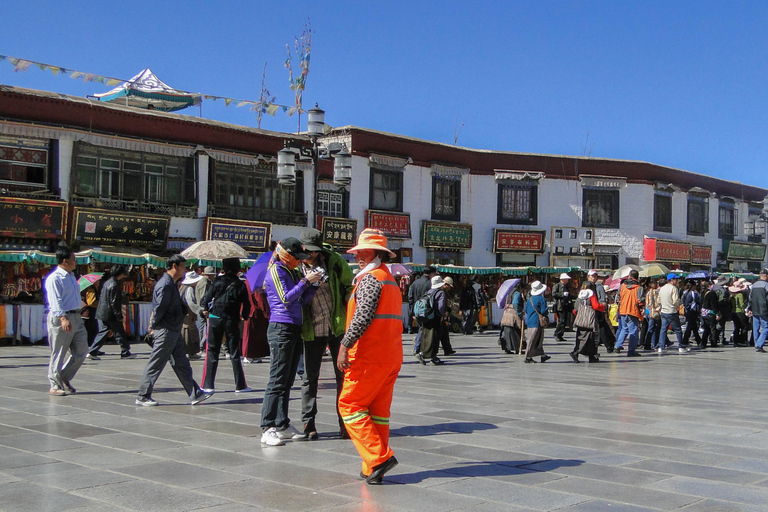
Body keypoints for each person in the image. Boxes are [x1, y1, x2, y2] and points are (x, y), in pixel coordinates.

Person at [337, 228, 402, 484]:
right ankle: (372, 467)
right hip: (390, 356)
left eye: (363, 252)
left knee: (349, 405)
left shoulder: (371, 279)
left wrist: (344, 345)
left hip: (368, 355)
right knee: (377, 413)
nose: (358, 257)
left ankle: (379, 458)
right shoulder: (388, 279)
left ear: (377, 253)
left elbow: (362, 316)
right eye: (357, 253)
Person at [260, 238, 321, 446]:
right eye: (297, 257)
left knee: (287, 380)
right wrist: (305, 282)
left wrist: (312, 287)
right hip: (280, 328)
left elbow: (300, 300)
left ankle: (281, 423)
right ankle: (267, 426)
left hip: (294, 326)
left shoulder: (292, 271)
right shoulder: (277, 270)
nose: (299, 261)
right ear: (287, 255)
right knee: (277, 380)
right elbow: (286, 298)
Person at [297, 228, 354, 440]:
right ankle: (308, 425)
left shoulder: (334, 261)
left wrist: (348, 311)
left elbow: (350, 287)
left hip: (336, 327)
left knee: (344, 377)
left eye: (314, 251)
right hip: (311, 330)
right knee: (309, 379)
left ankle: (345, 425)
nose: (310, 255)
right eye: (307, 251)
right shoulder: (295, 265)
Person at [135, 254, 213, 406]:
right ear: (175, 266)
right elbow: (159, 308)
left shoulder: (172, 283)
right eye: (183, 267)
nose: (184, 270)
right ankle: (143, 395)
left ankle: (195, 393)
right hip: (165, 329)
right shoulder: (165, 284)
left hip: (173, 329)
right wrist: (153, 327)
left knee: (181, 363)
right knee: (156, 363)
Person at [200, 257, 251, 393]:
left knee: (212, 350)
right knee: (234, 352)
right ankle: (240, 385)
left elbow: (206, 299)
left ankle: (208, 384)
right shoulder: (240, 284)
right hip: (232, 320)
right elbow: (247, 304)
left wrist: (205, 308)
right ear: (238, 269)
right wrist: (244, 316)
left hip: (215, 317)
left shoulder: (216, 281)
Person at [44, 244, 88, 396]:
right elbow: (55, 300)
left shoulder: (71, 277)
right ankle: (54, 384)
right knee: (59, 352)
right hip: (62, 317)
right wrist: (63, 318)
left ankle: (64, 377)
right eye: (73, 259)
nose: (75, 262)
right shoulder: (55, 279)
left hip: (76, 317)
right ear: (65, 261)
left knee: (82, 350)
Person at [88, 265, 134, 360]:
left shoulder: (107, 283)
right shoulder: (114, 285)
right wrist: (119, 315)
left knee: (104, 332)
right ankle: (125, 351)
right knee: (118, 332)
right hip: (110, 313)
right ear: (121, 274)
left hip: (104, 311)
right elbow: (114, 302)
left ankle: (93, 350)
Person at [415, 275, 448, 366]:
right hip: (435, 317)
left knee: (426, 336)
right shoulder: (440, 293)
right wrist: (442, 314)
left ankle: (431, 356)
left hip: (426, 316)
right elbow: (441, 306)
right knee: (435, 337)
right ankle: (429, 356)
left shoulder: (428, 292)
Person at [613, 270, 645, 357]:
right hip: (633, 311)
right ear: (637, 277)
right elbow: (640, 300)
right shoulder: (639, 287)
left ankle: (618, 345)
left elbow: (618, 297)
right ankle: (631, 351)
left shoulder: (622, 286)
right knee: (633, 331)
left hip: (622, 310)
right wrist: (642, 308)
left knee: (624, 329)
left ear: (629, 276)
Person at [571, 282, 605, 363]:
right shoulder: (591, 295)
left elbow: (575, 308)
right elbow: (596, 306)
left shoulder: (580, 296)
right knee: (590, 338)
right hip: (590, 320)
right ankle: (587, 354)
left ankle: (582, 353)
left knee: (580, 337)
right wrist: (603, 306)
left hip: (581, 320)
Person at [658, 273, 689, 353]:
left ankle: (661, 347)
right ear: (672, 280)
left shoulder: (662, 288)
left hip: (664, 311)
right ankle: (681, 347)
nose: (677, 281)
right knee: (678, 330)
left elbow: (659, 300)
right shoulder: (673, 288)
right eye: (676, 279)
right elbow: (675, 301)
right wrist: (678, 305)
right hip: (672, 311)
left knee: (663, 329)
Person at [408, 266, 437, 351]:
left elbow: (410, 298)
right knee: (424, 329)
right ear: (431, 273)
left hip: (416, 309)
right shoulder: (430, 283)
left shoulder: (415, 283)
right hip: (426, 310)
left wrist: (412, 311)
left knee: (421, 327)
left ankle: (419, 344)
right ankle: (418, 347)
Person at [523, 280, 551, 363]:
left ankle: (542, 355)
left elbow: (526, 310)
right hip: (537, 322)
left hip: (530, 321)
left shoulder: (530, 299)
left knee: (536, 339)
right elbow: (543, 311)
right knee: (534, 340)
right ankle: (527, 357)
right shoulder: (541, 299)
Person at [180, 270, 203, 359]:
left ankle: (190, 352)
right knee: (189, 333)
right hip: (188, 313)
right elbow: (191, 302)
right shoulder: (189, 289)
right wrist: (199, 310)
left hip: (185, 313)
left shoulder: (182, 287)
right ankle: (190, 352)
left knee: (189, 332)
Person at [195, 266, 216, 353]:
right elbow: (204, 297)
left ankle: (201, 346)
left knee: (202, 327)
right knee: (204, 328)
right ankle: (201, 346)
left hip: (201, 307)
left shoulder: (204, 282)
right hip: (203, 308)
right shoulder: (205, 283)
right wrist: (204, 308)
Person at [498, 281, 523, 354]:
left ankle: (507, 347)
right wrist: (519, 312)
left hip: (506, 314)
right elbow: (515, 303)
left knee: (506, 331)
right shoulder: (517, 293)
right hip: (513, 314)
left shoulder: (509, 293)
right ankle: (517, 348)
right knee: (516, 331)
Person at [747, 268, 768, 353]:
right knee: (766, 327)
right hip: (764, 309)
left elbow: (750, 298)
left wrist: (750, 308)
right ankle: (759, 344)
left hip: (755, 309)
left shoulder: (754, 285)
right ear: (766, 276)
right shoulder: (766, 285)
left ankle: (757, 344)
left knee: (755, 327)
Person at [439, 276, 457, 356]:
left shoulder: (444, 292)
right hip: (440, 315)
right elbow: (441, 304)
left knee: (444, 333)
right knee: (439, 334)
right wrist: (444, 312)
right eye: (449, 286)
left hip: (443, 314)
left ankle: (448, 349)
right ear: (446, 284)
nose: (450, 288)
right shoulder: (441, 291)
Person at [699, 280, 721, 349]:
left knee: (706, 328)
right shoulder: (712, 293)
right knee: (713, 328)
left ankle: (703, 343)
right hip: (710, 313)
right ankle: (713, 342)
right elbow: (714, 304)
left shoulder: (703, 293)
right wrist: (717, 313)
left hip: (704, 312)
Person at [552, 273, 573, 342]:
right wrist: (562, 294)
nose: (567, 281)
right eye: (566, 279)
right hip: (559, 306)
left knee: (565, 321)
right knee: (562, 321)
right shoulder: (556, 286)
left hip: (566, 305)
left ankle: (560, 335)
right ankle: (557, 334)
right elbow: (554, 294)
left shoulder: (567, 286)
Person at [80, 279, 100, 351]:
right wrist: (100, 304)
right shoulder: (91, 289)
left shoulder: (93, 289)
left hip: (88, 313)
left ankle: (91, 348)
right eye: (98, 281)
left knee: (90, 331)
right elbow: (91, 302)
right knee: (90, 331)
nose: (99, 282)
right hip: (88, 313)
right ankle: (90, 349)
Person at [682, 280, 702, 346]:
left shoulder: (687, 292)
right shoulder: (691, 293)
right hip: (691, 311)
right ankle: (686, 339)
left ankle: (696, 339)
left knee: (693, 326)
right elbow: (688, 302)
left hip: (691, 311)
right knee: (691, 326)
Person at [729, 280, 749, 347]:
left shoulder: (731, 296)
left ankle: (735, 340)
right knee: (744, 326)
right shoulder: (740, 295)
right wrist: (744, 311)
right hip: (739, 312)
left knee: (736, 327)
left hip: (733, 312)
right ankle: (742, 340)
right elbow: (742, 304)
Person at [643, 280, 661, 350]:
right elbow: (658, 302)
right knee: (655, 328)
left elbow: (647, 304)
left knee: (651, 329)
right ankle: (653, 344)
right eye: (655, 283)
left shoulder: (647, 293)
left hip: (648, 312)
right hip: (654, 312)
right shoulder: (655, 292)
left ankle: (650, 344)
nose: (656, 284)